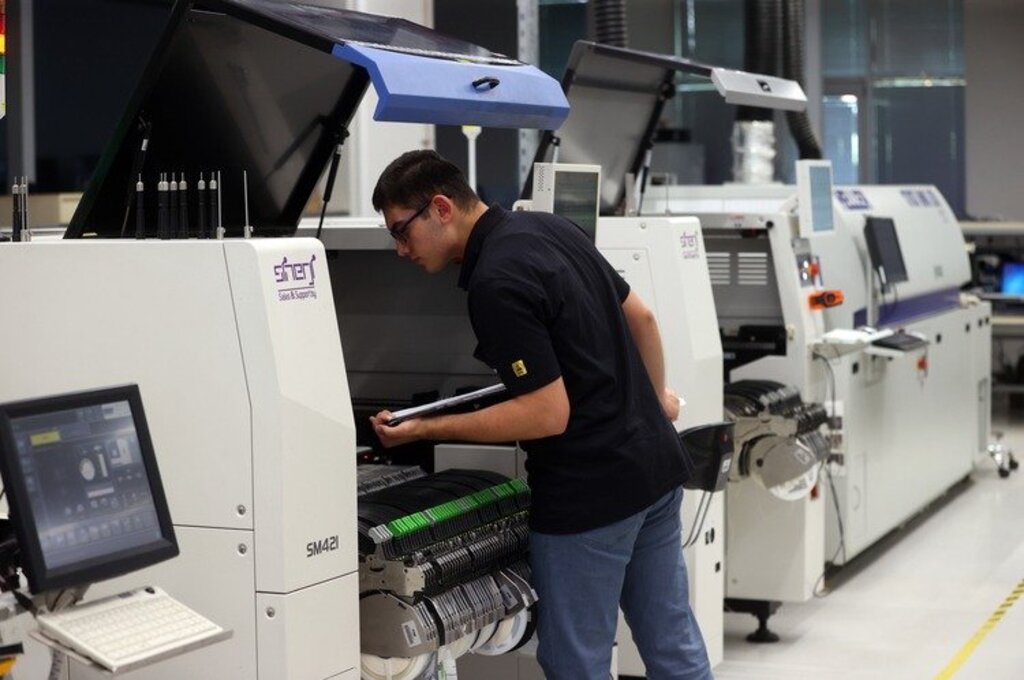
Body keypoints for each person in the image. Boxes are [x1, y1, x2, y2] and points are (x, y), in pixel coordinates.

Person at [369, 149, 711, 680]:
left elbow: (547, 414)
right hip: (654, 471)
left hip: (591, 498)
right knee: (673, 645)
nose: (400, 249)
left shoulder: (495, 281)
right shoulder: (551, 228)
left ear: (441, 208)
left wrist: (423, 428)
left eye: (401, 231)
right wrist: (654, 399)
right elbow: (643, 318)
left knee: (577, 664)